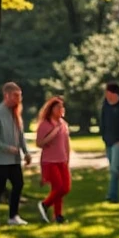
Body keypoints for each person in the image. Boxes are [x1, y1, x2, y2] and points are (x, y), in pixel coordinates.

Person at [0, 82, 32, 228]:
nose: (19, 99)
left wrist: (26, 152)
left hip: (14, 159)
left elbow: (21, 135)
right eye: (15, 95)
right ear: (6, 95)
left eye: (20, 96)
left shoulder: (15, 114)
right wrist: (7, 148)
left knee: (18, 184)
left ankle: (13, 216)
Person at [35, 96, 71, 224]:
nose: (61, 109)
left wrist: (67, 158)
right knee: (58, 187)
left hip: (62, 161)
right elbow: (39, 143)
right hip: (49, 161)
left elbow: (66, 143)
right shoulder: (45, 124)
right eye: (58, 107)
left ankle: (51, 210)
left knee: (65, 188)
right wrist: (53, 133)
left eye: (62, 107)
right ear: (51, 109)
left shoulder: (64, 124)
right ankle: (52, 211)